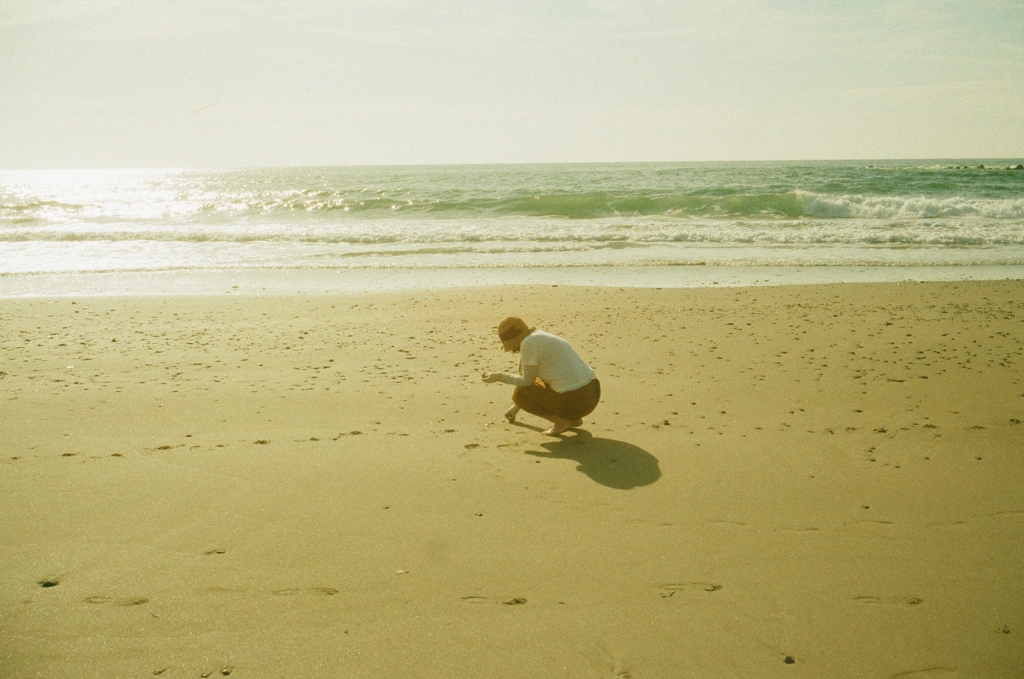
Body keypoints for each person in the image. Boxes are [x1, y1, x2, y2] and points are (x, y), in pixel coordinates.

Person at [481, 317, 600, 436]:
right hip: (592, 393)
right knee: (544, 381)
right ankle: (572, 418)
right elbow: (540, 380)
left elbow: (527, 382)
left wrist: (498, 376)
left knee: (519, 393)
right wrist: (515, 408)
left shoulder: (528, 343)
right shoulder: (541, 336)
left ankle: (560, 423)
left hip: (577, 399)